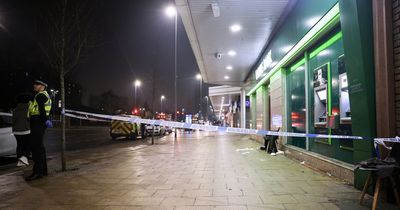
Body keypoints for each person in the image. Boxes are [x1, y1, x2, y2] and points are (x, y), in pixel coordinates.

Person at [26, 80, 52, 181]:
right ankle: (43, 171)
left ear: (42, 86)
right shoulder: (43, 95)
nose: (34, 85)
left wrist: (45, 120)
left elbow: (41, 109)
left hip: (38, 122)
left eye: (36, 84)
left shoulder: (40, 95)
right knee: (40, 147)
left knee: (36, 147)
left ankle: (37, 172)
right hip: (39, 122)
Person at [12, 93, 32, 167]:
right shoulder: (28, 108)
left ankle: (19, 161)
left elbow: (13, 120)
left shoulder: (15, 109)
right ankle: (24, 158)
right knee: (29, 145)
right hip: (26, 130)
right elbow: (29, 119)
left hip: (16, 131)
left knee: (19, 146)